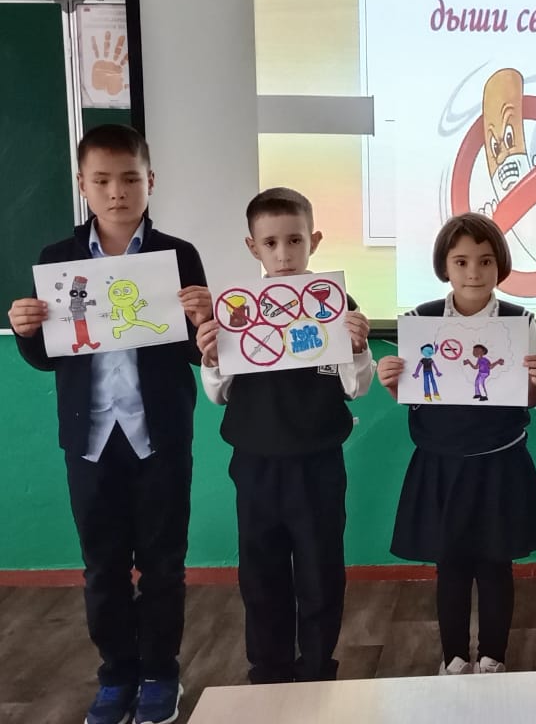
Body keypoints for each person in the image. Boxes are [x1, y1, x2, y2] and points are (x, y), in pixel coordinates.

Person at [7, 123, 211, 724]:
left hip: (159, 437)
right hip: (90, 440)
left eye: (129, 178)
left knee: (164, 565)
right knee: (102, 568)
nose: (117, 191)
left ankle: (161, 673)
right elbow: (48, 357)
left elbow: (197, 351)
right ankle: (117, 674)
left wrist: (204, 322)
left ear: (150, 181)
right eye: (101, 180)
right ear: (82, 185)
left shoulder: (178, 255)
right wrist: (26, 331)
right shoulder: (57, 259)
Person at [195, 187, 373, 684]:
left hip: (317, 462)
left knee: (320, 571)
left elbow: (355, 388)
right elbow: (218, 394)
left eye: (295, 240)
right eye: (270, 243)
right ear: (252, 247)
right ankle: (268, 670)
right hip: (255, 464)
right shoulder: (237, 308)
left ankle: (317, 667)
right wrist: (211, 357)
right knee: (260, 574)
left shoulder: (336, 303)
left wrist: (358, 348)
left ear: (314, 240)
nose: (284, 254)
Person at [377, 212, 536, 674]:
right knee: (450, 565)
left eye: (485, 261)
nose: (473, 272)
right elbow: (412, 396)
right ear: (445, 267)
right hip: (441, 463)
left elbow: (530, 398)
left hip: (499, 463)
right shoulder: (420, 320)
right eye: (461, 261)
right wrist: (391, 382)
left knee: (496, 565)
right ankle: (452, 657)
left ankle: (494, 657)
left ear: (500, 266)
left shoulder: (519, 320)